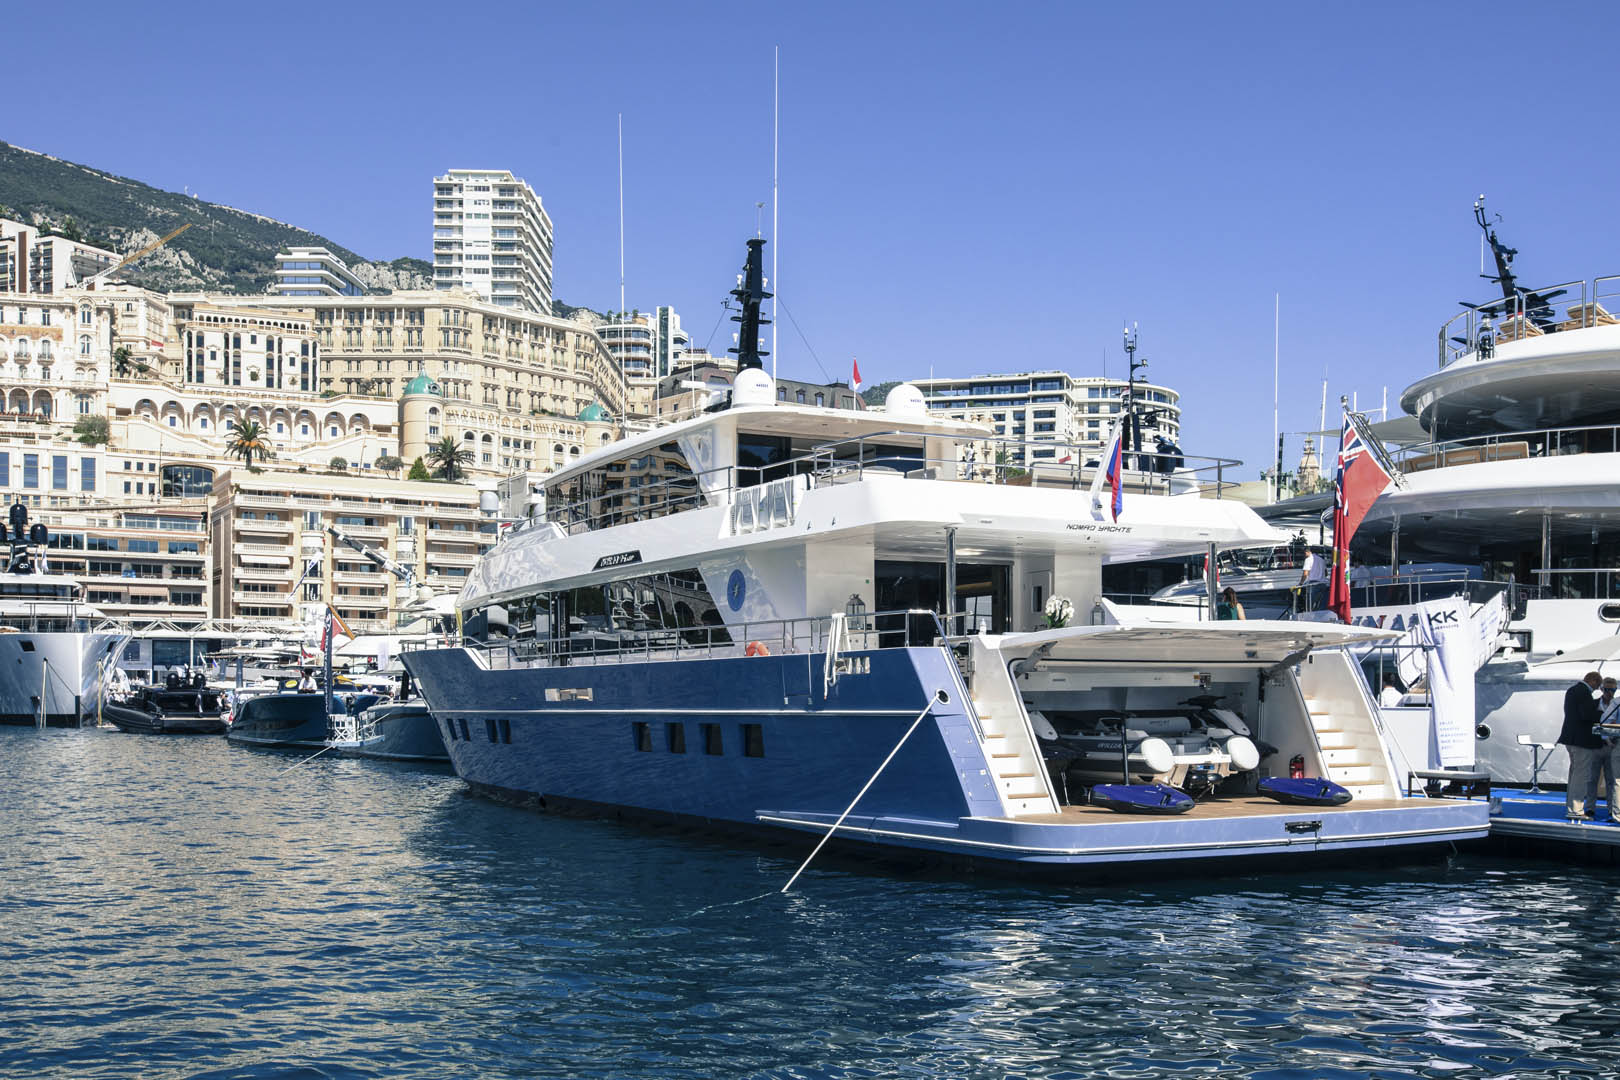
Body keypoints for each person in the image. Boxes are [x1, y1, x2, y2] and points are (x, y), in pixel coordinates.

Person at [1558, 671, 1605, 821]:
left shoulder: (1572, 690)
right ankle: (1576, 810)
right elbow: (1587, 715)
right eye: (1597, 685)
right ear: (1591, 680)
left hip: (1570, 739)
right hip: (1581, 741)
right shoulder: (1584, 692)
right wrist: (1604, 715)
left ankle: (1571, 806)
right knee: (1580, 776)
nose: (1596, 689)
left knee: (1573, 774)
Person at [1596, 677, 1620, 824]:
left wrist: (1608, 739)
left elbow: (1604, 722)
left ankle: (1618, 815)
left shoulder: (1617, 702)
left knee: (1618, 781)